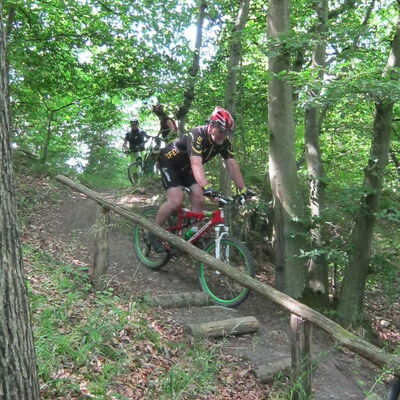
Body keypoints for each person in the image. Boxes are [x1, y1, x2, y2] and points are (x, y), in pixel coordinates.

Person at [147, 106, 252, 252]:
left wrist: (243, 189)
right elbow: (196, 164)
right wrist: (206, 187)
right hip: (169, 163)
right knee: (176, 200)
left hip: (187, 169)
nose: (223, 136)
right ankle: (153, 232)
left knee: (199, 199)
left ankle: (189, 237)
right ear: (212, 126)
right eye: (221, 132)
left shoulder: (224, 142)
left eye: (227, 133)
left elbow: (232, 165)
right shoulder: (197, 135)